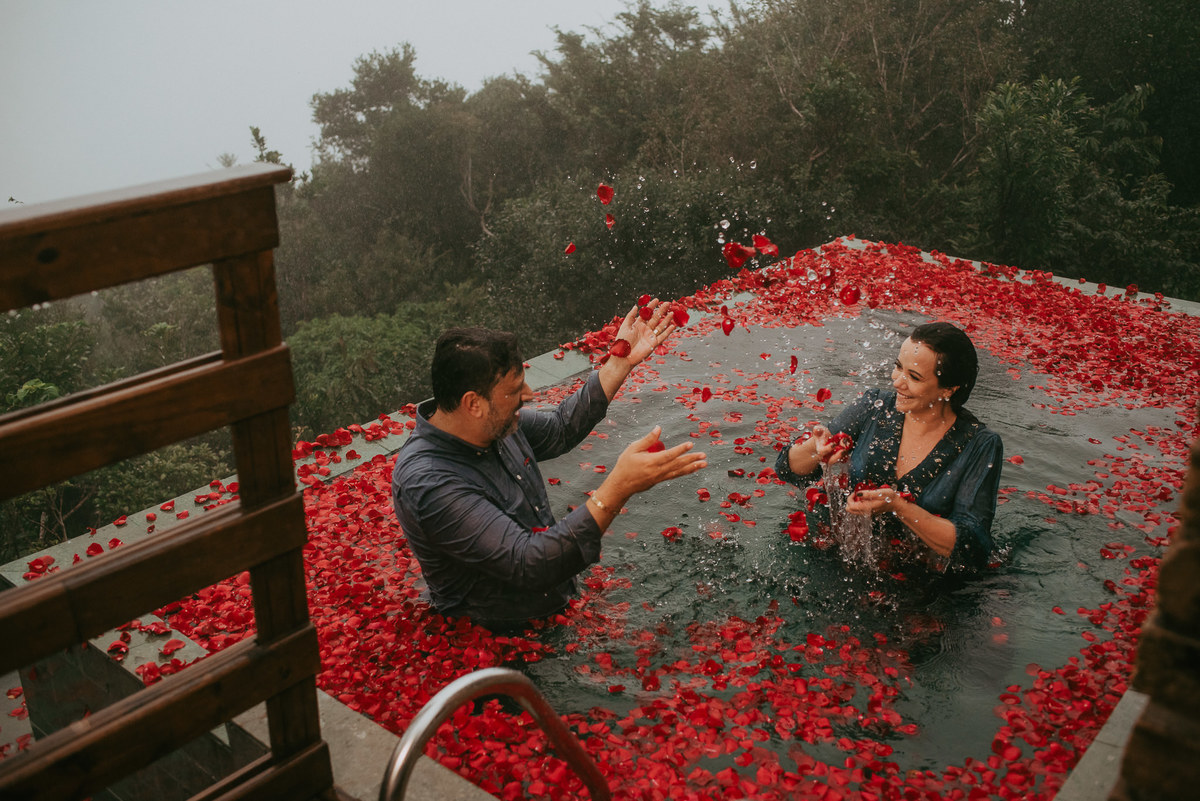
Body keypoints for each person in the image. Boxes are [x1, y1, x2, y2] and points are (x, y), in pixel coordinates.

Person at [391, 303, 707, 627]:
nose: (528, 395)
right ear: (473, 403)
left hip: (557, 601)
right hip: (506, 640)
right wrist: (618, 488)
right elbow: (529, 563)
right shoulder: (428, 483)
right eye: (515, 390)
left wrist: (619, 362)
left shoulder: (494, 426)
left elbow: (559, 427)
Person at [775, 321, 1003, 571]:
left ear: (949, 389)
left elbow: (973, 545)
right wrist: (815, 449)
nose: (897, 382)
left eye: (913, 377)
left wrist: (898, 506)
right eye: (898, 367)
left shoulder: (979, 444)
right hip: (840, 557)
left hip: (922, 581)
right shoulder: (875, 406)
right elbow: (787, 469)